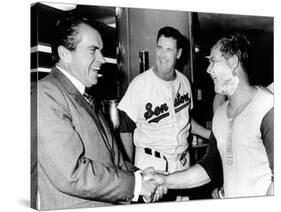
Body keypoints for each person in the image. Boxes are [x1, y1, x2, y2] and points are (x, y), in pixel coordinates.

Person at [31, 15, 166, 210]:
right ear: (65, 53)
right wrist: (136, 185)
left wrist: (141, 176)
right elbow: (72, 173)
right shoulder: (46, 94)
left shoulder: (85, 96)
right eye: (93, 50)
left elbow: (113, 160)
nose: (102, 59)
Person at [145, 33, 274, 198]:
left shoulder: (267, 107)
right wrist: (165, 180)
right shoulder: (220, 115)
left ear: (233, 62)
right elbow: (209, 168)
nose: (208, 70)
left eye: (213, 62)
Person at [117, 26, 211, 200]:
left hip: (183, 165)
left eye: (169, 49)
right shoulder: (140, 84)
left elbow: (186, 120)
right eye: (159, 48)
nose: (162, 55)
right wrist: (130, 172)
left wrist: (211, 134)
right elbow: (125, 129)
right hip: (152, 166)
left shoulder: (184, 82)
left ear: (179, 53)